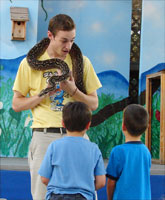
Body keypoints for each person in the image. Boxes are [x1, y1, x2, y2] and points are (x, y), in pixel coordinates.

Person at [12, 14, 102, 200]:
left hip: (78, 135)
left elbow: (93, 104)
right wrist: (43, 93)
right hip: (44, 136)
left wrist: (73, 89)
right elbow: (16, 104)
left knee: (85, 192)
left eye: (72, 41)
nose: (68, 47)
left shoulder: (82, 62)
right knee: (41, 193)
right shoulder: (28, 64)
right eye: (63, 41)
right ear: (50, 36)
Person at [39, 101, 106, 200]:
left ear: (63, 123)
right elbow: (101, 182)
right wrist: (86, 188)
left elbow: (44, 178)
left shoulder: (54, 146)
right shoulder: (94, 149)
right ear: (88, 125)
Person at [106, 104, 151, 200]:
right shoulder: (146, 152)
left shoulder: (117, 151)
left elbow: (111, 182)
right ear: (146, 128)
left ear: (123, 126)